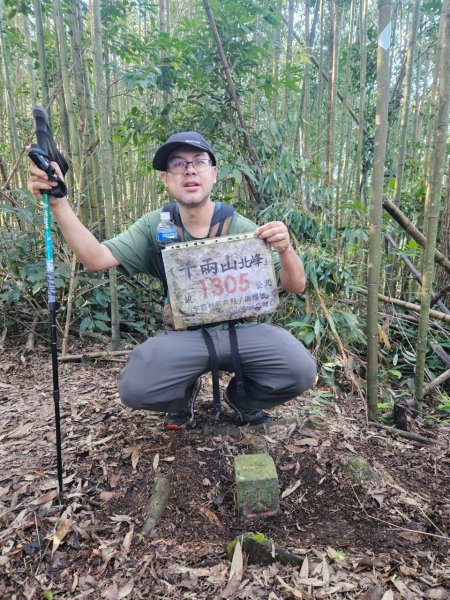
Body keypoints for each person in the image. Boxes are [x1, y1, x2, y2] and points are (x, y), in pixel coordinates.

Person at [28, 131, 317, 429]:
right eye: (178, 164)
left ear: (214, 174)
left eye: (199, 162)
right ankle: (182, 394)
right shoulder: (155, 225)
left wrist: (285, 249)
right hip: (185, 336)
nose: (189, 170)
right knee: (136, 387)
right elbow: (95, 258)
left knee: (300, 369)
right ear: (166, 178)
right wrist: (59, 205)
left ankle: (243, 399)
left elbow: (295, 285)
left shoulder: (239, 226)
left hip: (240, 332)